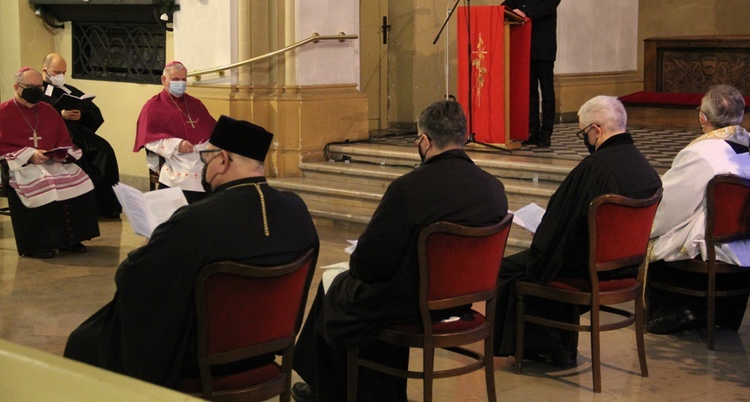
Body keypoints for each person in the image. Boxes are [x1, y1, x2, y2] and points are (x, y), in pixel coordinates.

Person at [64, 115, 319, 388]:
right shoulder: (296, 209)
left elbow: (131, 279)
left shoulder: (195, 219)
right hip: (265, 350)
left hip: (198, 359)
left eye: (206, 156)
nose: (203, 165)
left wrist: (152, 243)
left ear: (222, 160)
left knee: (85, 341)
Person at [291, 100, 508, 402]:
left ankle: (331, 390)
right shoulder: (493, 188)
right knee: (351, 290)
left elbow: (368, 265)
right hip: (462, 301)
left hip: (412, 301)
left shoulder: (408, 189)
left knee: (337, 287)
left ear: (425, 141)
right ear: (463, 138)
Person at [493, 96, 662, 364]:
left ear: (596, 130)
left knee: (514, 268)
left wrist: (542, 234)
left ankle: (541, 346)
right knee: (546, 256)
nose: (585, 139)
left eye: (584, 133)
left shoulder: (595, 168)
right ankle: (553, 344)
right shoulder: (645, 168)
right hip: (625, 269)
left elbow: (562, 222)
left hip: (587, 269)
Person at [647, 84, 750, 334]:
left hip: (711, 245)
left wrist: (645, 225)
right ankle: (724, 313)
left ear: (702, 117)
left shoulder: (700, 152)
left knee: (656, 238)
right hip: (744, 243)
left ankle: (678, 310)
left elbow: (671, 204)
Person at [0, 68, 100, 258]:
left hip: (50, 162)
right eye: (31, 87)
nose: (37, 90)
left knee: (81, 182)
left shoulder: (47, 110)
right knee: (46, 186)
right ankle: (36, 245)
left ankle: (70, 240)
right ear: (16, 87)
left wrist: (60, 153)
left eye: (39, 86)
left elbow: (63, 139)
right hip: (20, 165)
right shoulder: (3, 112)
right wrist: (29, 154)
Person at [502, 0, 567, 147]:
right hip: (523, 41)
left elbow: (549, 6)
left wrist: (524, 12)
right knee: (529, 90)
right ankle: (531, 130)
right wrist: (499, 10)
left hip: (543, 41)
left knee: (546, 89)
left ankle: (546, 132)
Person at [41, 53, 122, 219]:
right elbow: (38, 116)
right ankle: (82, 208)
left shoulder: (70, 90)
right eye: (57, 72)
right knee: (79, 157)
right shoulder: (38, 92)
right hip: (59, 139)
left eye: (64, 72)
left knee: (104, 150)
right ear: (45, 70)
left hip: (80, 134)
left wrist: (81, 114)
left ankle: (106, 206)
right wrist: (60, 114)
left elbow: (93, 112)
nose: (61, 76)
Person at [133, 61, 217, 203]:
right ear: (164, 80)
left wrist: (206, 147)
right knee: (186, 171)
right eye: (176, 79)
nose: (181, 83)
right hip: (174, 156)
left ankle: (204, 210)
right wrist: (177, 145)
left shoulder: (195, 104)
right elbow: (149, 139)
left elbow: (211, 131)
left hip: (199, 154)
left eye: (183, 79)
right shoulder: (152, 106)